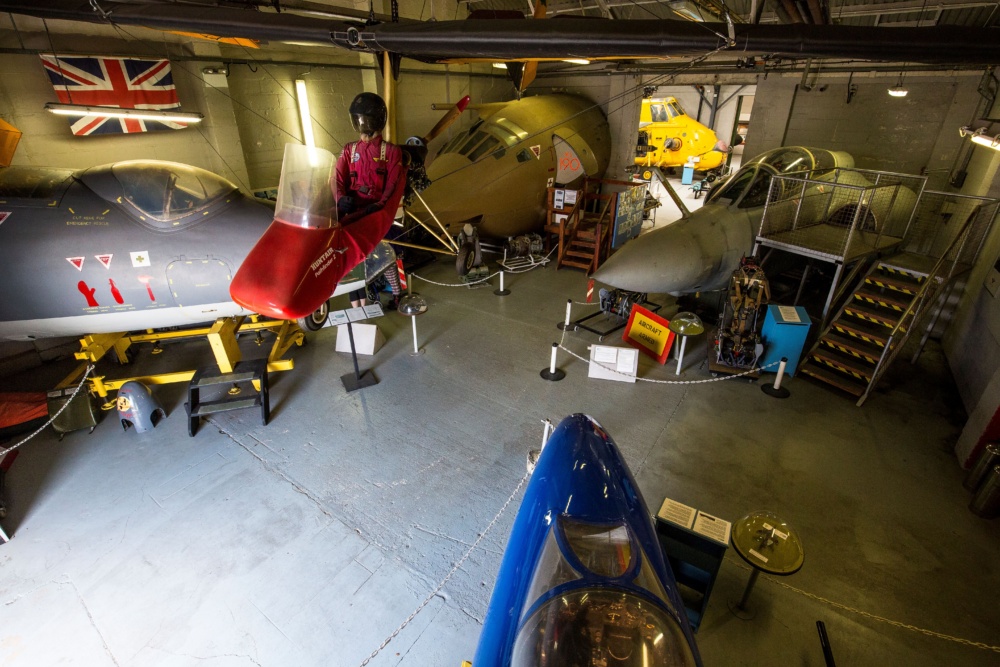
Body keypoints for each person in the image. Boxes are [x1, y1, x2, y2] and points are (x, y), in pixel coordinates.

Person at [334, 92, 407, 308]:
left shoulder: (391, 152)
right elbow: (337, 178)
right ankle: (360, 305)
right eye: (357, 119)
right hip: (353, 213)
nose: (361, 124)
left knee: (386, 253)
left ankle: (396, 293)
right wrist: (340, 199)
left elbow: (393, 183)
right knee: (352, 258)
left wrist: (380, 206)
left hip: (377, 214)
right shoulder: (349, 150)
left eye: (365, 119)